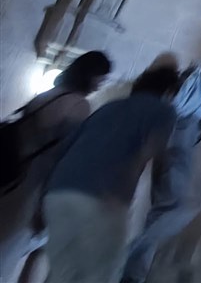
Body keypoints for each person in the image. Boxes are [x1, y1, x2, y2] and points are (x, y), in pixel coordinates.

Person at [43, 67, 180, 283]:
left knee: (62, 271)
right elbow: (149, 151)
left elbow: (66, 148)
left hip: (59, 192)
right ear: (169, 91)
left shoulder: (110, 107)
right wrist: (124, 193)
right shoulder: (163, 111)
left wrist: (42, 198)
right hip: (101, 198)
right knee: (101, 272)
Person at [120, 42, 201, 283]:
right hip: (186, 130)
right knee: (187, 205)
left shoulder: (191, 70)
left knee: (160, 208)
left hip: (165, 128)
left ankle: (134, 274)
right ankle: (124, 256)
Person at [0, 52, 112, 283]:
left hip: (9, 176)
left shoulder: (47, 95)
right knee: (9, 253)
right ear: (90, 75)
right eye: (101, 78)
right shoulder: (79, 106)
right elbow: (67, 160)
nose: (101, 84)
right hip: (31, 191)